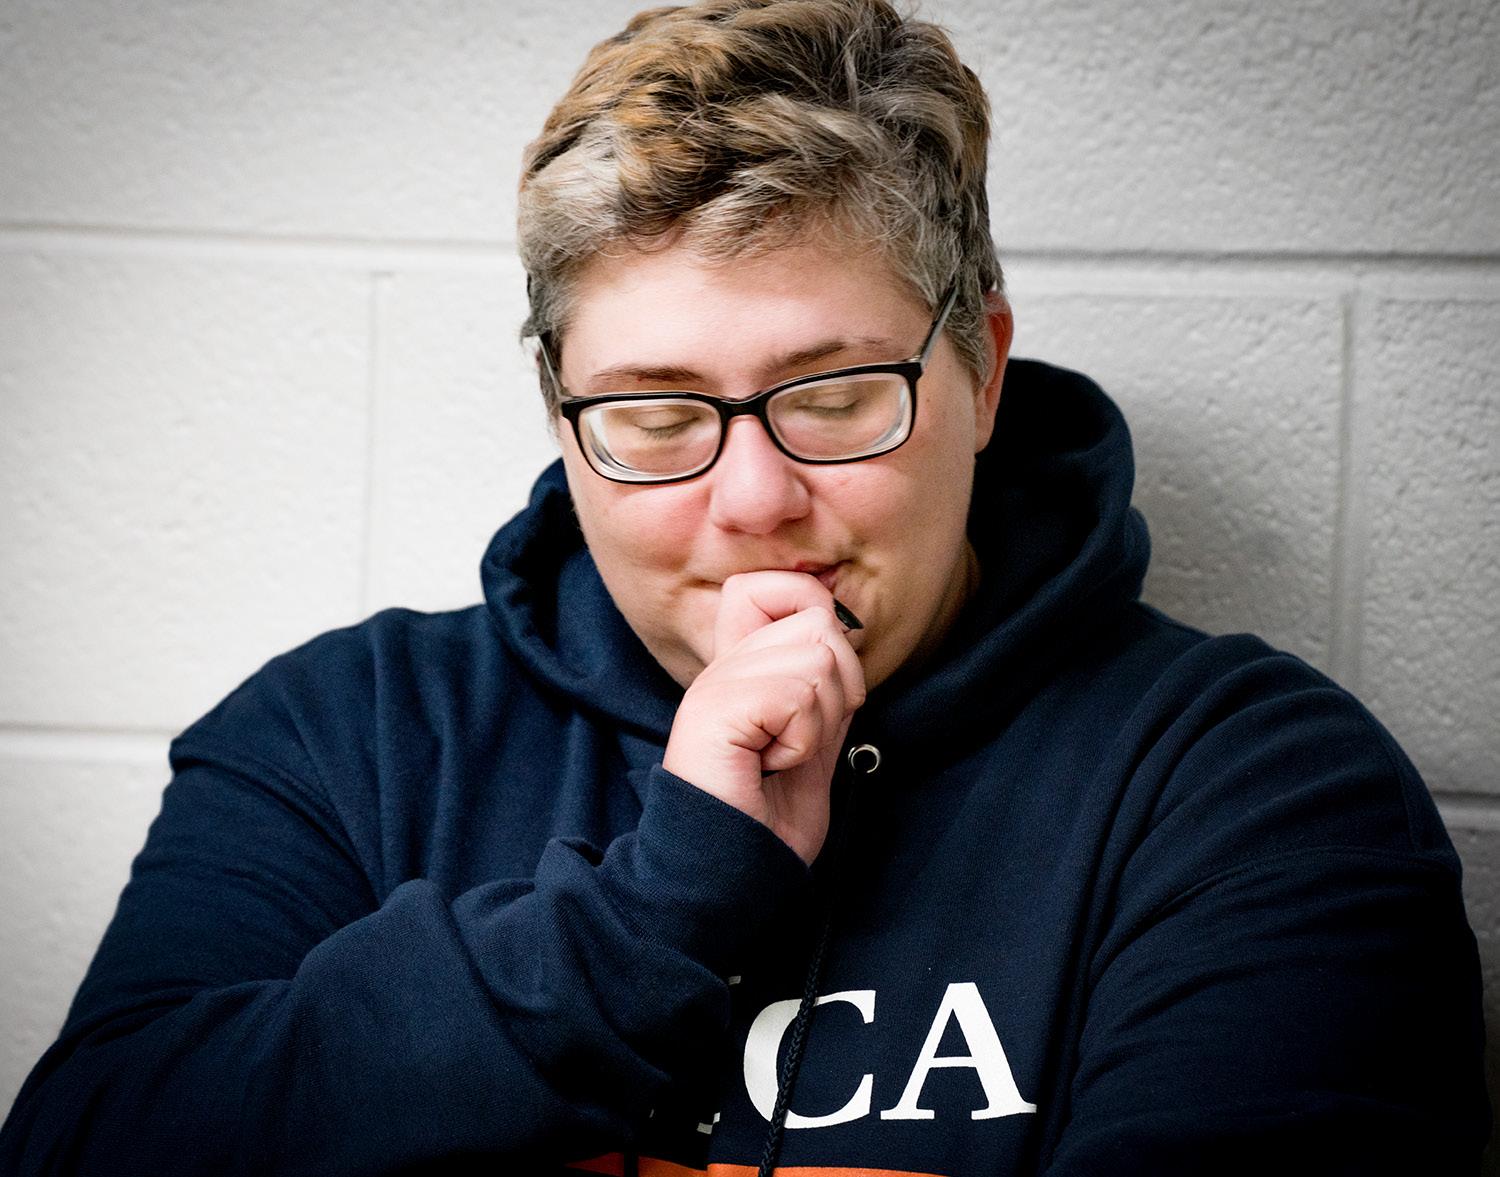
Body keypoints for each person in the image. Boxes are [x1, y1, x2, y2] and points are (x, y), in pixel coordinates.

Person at [0, 0, 1488, 1172]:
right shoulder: (346, 737)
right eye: (656, 414)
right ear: (562, 421)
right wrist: (664, 906)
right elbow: (85, 1145)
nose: (755, 500)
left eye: (833, 397)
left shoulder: (1253, 789)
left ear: (981, 372)